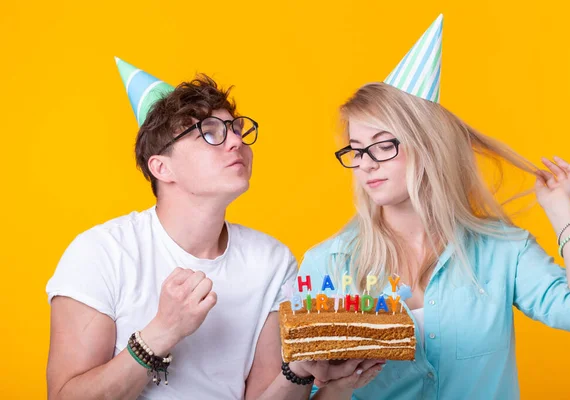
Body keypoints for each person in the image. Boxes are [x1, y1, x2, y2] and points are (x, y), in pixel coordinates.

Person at [301, 15, 570, 400]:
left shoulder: (502, 249)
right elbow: (311, 393)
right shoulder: (329, 264)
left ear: (428, 145)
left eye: (382, 144)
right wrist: (339, 380)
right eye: (356, 150)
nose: (366, 163)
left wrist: (561, 210)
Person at [45, 58, 377, 400]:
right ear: (162, 167)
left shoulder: (272, 262)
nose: (236, 142)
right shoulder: (100, 252)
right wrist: (160, 333)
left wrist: (300, 369)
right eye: (209, 133)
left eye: (236, 129)